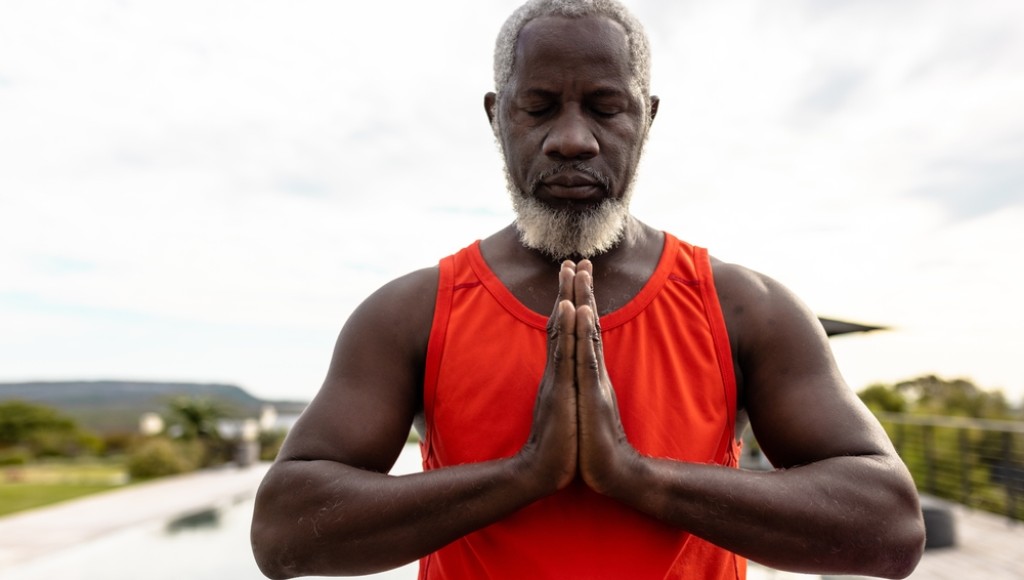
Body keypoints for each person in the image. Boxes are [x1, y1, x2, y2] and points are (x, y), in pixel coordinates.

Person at [250, 1, 926, 578]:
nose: (572, 140)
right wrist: (525, 474)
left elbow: (890, 528)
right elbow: (282, 533)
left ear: (646, 117)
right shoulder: (413, 314)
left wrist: (633, 474)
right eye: (538, 107)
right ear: (497, 116)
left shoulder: (745, 308)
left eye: (606, 108)